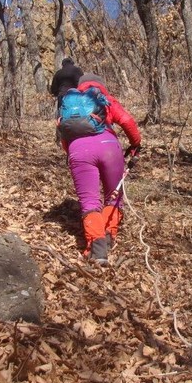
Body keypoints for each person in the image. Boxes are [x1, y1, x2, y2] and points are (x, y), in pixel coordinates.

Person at [60, 73, 141, 265]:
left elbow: (64, 134)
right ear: (102, 85)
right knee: (114, 195)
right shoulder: (105, 100)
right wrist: (136, 144)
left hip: (78, 151)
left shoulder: (70, 105)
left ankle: (98, 251)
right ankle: (108, 235)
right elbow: (128, 122)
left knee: (89, 202)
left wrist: (73, 152)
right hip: (109, 148)